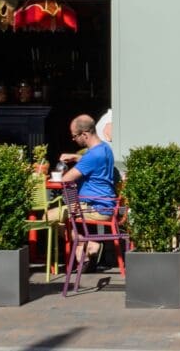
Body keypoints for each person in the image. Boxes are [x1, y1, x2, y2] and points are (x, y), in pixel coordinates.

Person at [55, 113, 120, 267]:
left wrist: (57, 175)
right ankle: (86, 247)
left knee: (49, 217)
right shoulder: (105, 148)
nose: (73, 140)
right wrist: (76, 157)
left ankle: (86, 244)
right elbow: (95, 160)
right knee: (68, 210)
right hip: (106, 204)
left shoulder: (92, 156)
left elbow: (66, 179)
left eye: (74, 136)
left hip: (95, 207)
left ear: (84, 134)